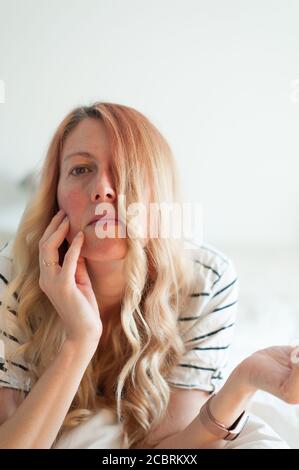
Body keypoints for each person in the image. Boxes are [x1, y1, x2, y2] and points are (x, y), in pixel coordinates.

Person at [0, 102, 298, 449]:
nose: (103, 189)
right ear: (54, 198)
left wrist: (243, 382)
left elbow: (170, 450)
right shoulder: (13, 276)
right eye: (81, 169)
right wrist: (80, 339)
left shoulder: (205, 279)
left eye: (125, 169)